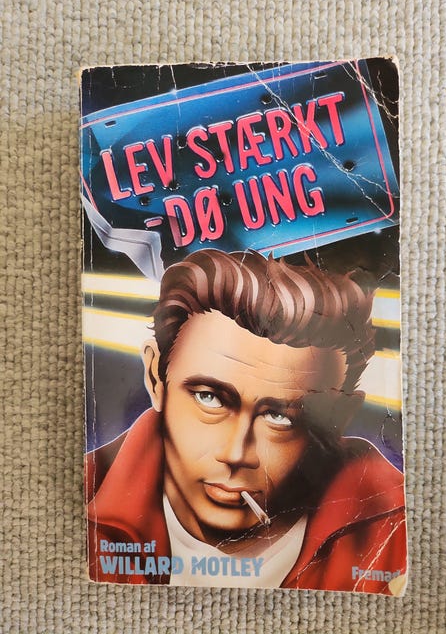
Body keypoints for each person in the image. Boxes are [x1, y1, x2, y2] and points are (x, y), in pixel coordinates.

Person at [86, 249, 407, 594]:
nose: (235, 454)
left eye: (279, 417)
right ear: (155, 377)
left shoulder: (395, 530)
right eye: (209, 398)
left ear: (338, 418)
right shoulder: (82, 500)